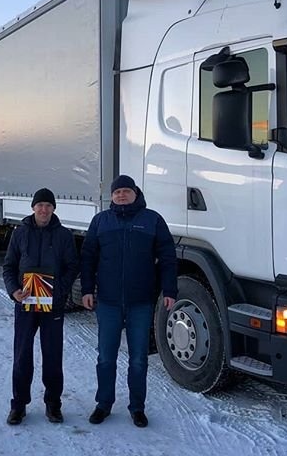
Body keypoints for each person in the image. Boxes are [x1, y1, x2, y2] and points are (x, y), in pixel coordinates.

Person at [81, 174, 177, 428]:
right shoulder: (101, 221)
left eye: (125, 190)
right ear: (111, 196)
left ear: (136, 193)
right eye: (116, 192)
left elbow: (167, 257)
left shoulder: (152, 220)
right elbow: (88, 258)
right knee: (105, 357)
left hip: (141, 302)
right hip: (109, 302)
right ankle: (103, 404)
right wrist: (87, 289)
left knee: (138, 359)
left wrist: (170, 290)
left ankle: (137, 407)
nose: (121, 195)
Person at [3, 188, 78, 425]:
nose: (44, 209)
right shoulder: (20, 233)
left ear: (54, 208)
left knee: (53, 356)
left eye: (48, 205)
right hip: (25, 304)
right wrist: (14, 291)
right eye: (40, 205)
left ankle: (53, 404)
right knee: (22, 355)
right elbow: (9, 266)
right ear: (33, 207)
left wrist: (59, 292)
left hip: (52, 306)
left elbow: (71, 267)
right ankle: (18, 405)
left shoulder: (64, 235)